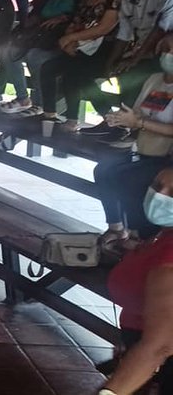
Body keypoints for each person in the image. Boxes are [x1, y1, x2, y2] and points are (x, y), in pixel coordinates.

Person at [101, 168, 173, 395]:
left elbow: (160, 347)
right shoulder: (160, 235)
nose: (160, 196)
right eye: (157, 185)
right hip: (139, 343)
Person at [38, 0, 126, 130]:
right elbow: (77, 19)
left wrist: (71, 38)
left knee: (78, 76)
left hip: (104, 50)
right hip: (80, 46)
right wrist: (70, 40)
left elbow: (104, 28)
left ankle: (110, 121)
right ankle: (51, 116)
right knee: (49, 68)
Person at [96, 38, 173, 243]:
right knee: (103, 170)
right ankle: (116, 228)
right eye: (166, 49)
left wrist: (140, 123)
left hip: (165, 156)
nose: (169, 55)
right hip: (142, 149)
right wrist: (123, 119)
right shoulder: (154, 79)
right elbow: (138, 111)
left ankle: (140, 236)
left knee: (131, 179)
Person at [97, 0, 173, 129]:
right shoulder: (126, 0)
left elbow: (160, 29)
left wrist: (134, 60)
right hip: (140, 51)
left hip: (164, 51)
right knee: (114, 73)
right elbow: (124, 34)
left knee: (134, 76)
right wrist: (111, 62)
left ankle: (129, 126)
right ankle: (118, 123)